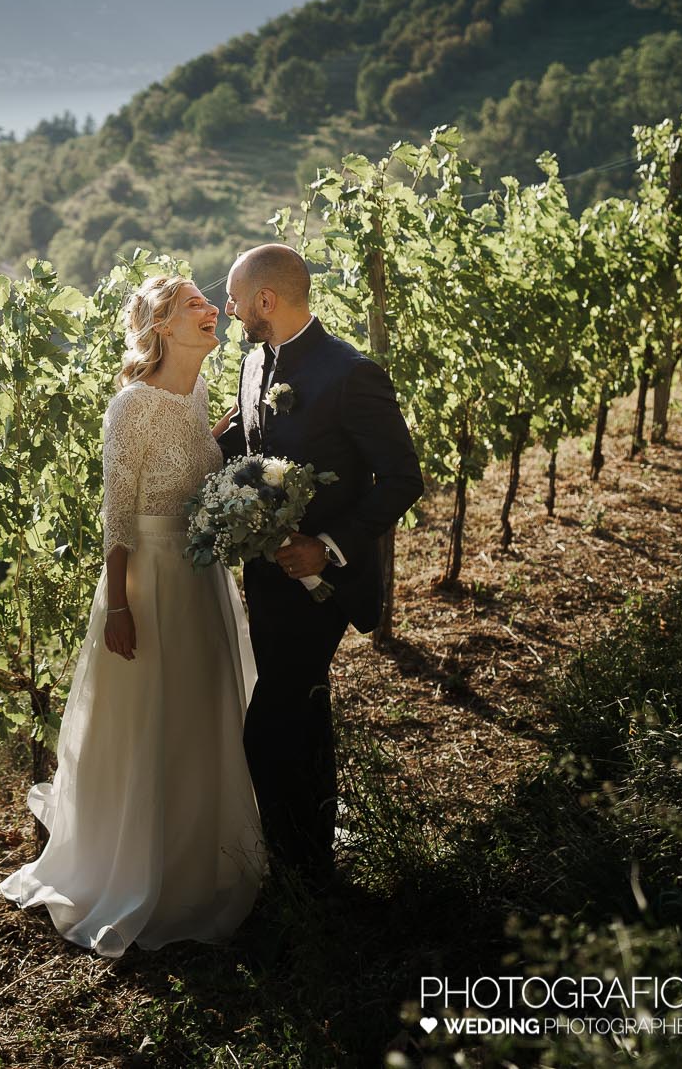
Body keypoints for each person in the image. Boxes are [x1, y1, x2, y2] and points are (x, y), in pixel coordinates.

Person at [0, 274, 265, 956]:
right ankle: (150, 870)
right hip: (147, 581)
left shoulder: (202, 389)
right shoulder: (132, 404)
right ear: (163, 328)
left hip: (202, 576)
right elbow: (118, 516)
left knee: (204, 709)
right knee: (154, 717)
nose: (213, 310)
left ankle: (210, 852)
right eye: (195, 305)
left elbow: (189, 470)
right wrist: (119, 604)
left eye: (211, 300)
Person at [217, 244, 423, 887]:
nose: (229, 309)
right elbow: (240, 445)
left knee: (268, 725)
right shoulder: (253, 364)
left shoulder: (349, 373)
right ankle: (312, 862)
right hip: (266, 578)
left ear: (266, 302)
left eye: (235, 298)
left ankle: (289, 868)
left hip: (325, 583)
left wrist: (329, 545)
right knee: (302, 710)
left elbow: (402, 479)